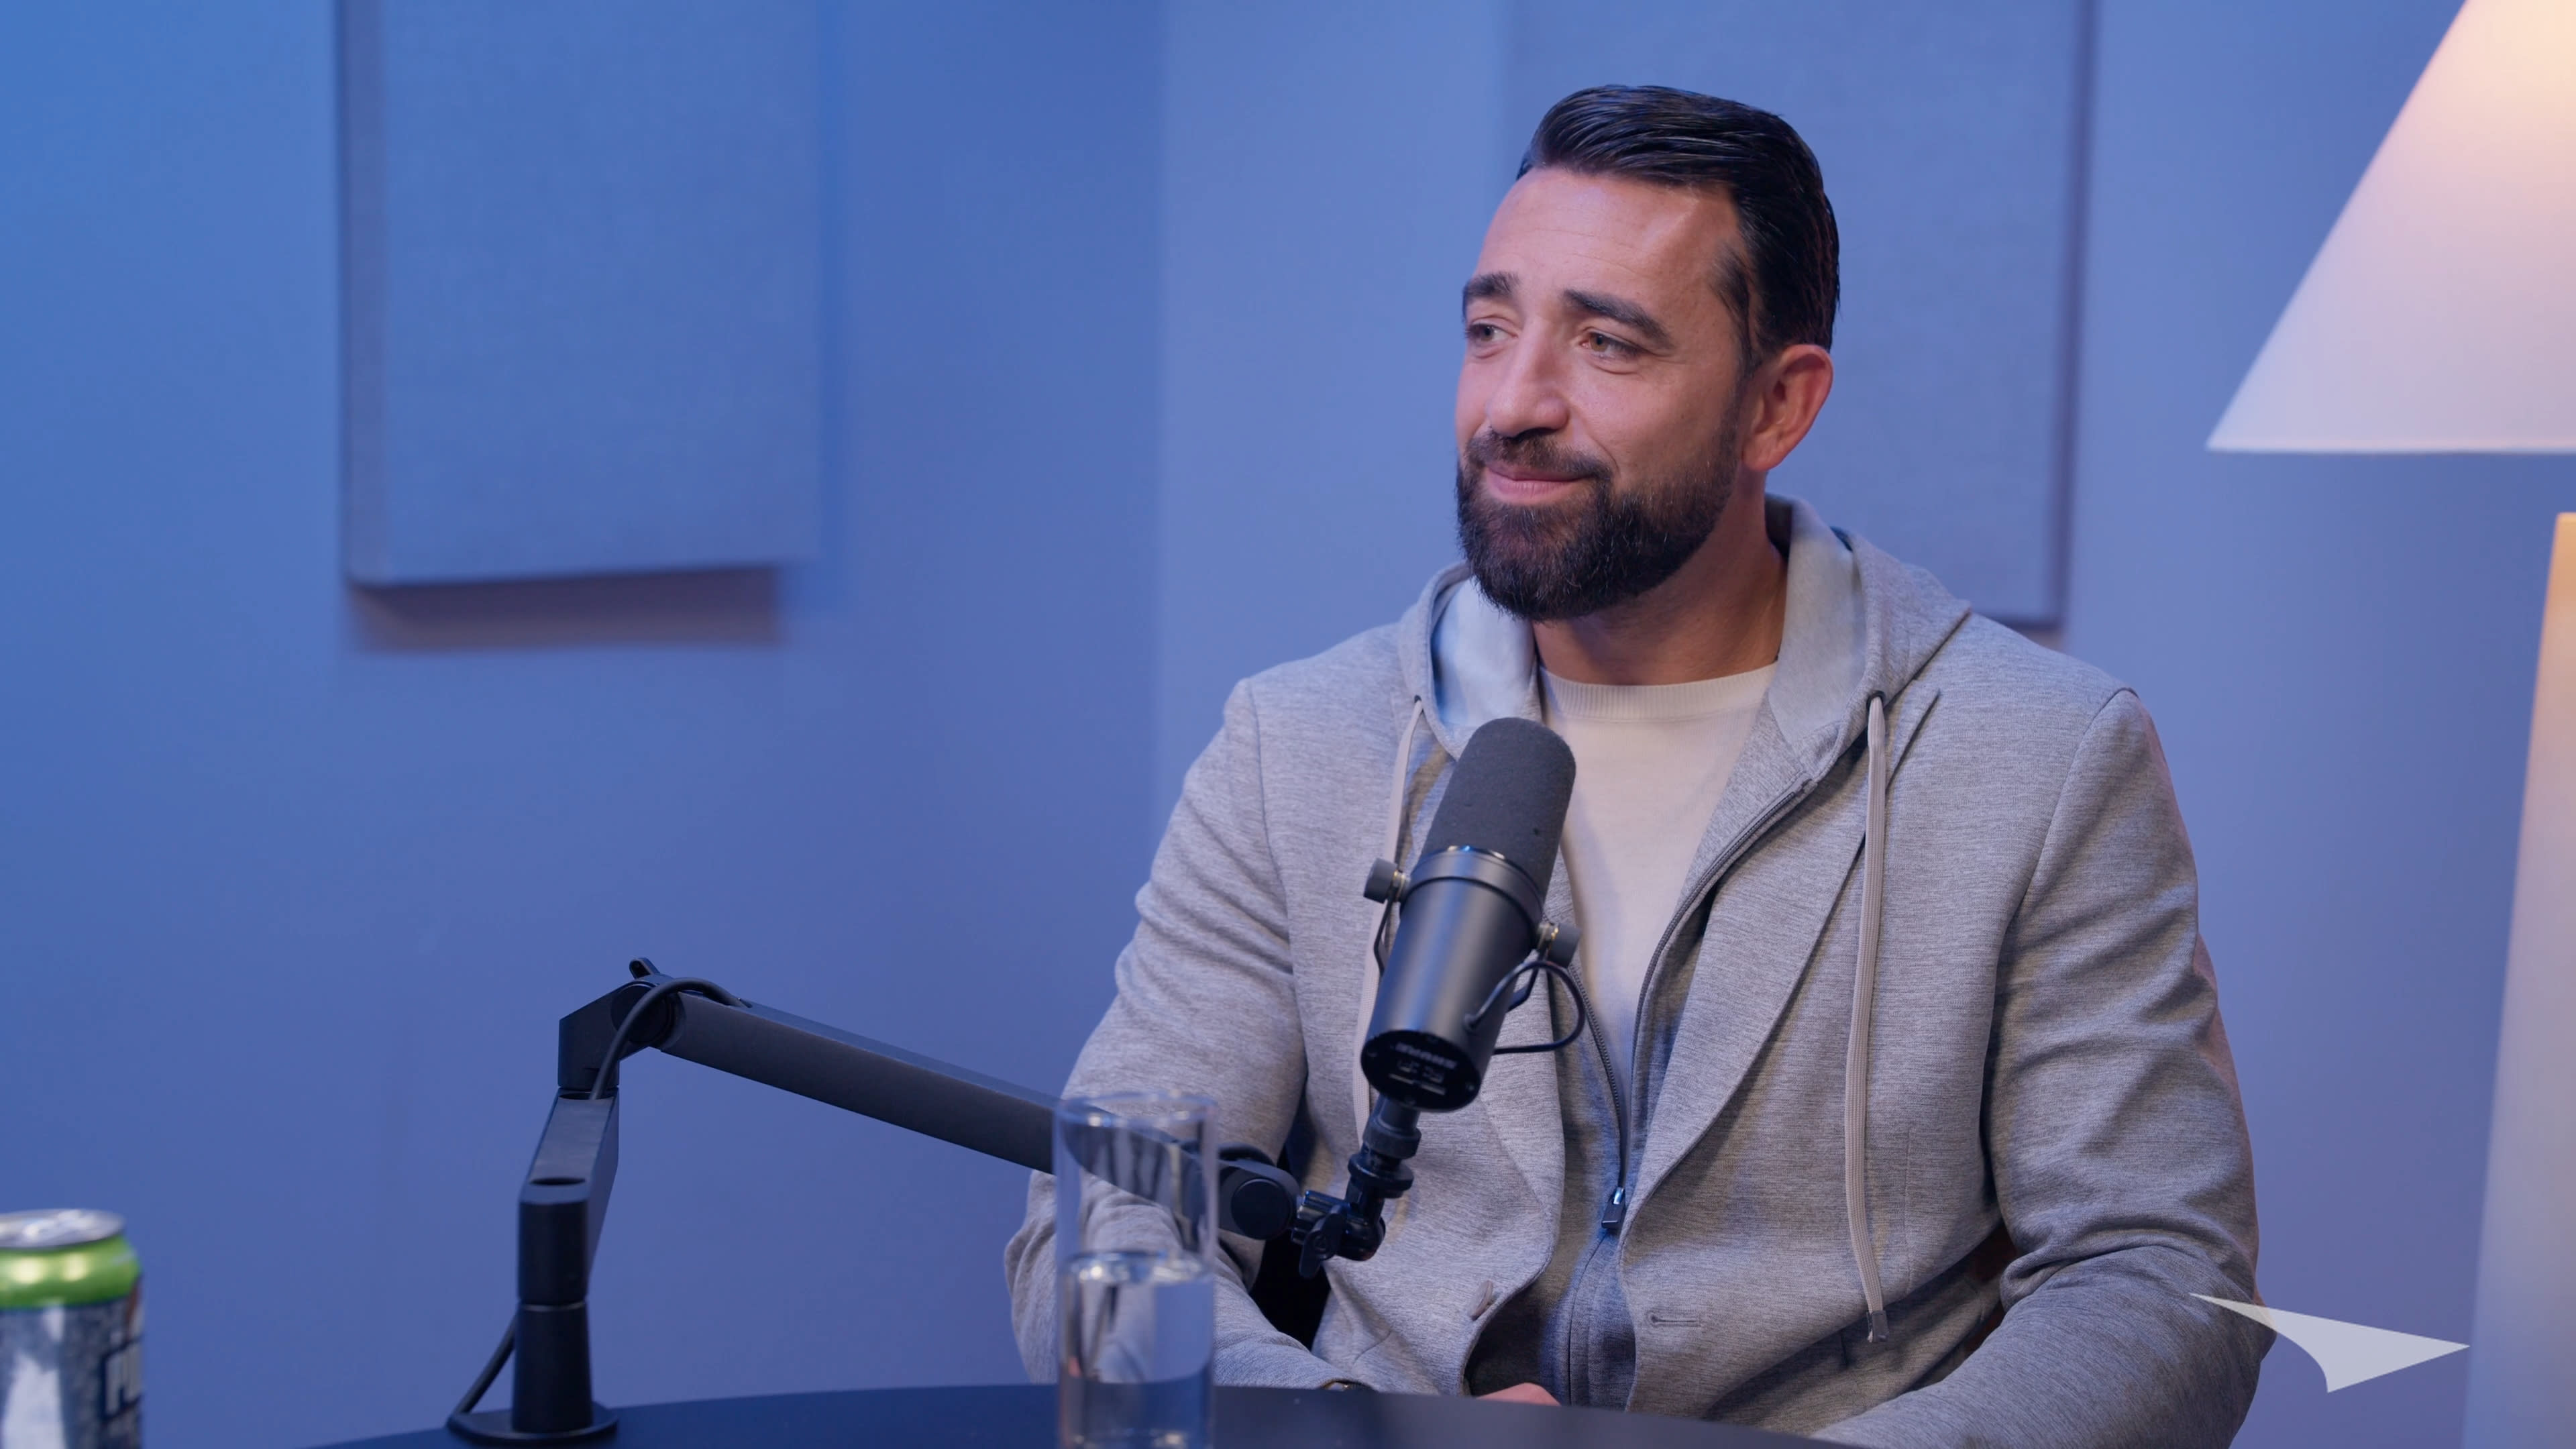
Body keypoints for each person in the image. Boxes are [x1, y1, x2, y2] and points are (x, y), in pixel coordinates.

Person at [1006, 85, 2267, 1445]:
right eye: (1490, 330)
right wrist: (1355, 1430)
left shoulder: (2041, 757)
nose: (1512, 404)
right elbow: (1107, 1217)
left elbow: (2160, 1282)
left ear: (1776, 407)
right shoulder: (1297, 742)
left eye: (1607, 344)